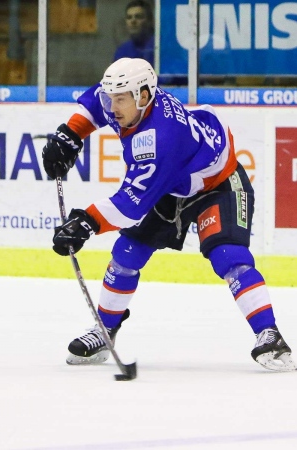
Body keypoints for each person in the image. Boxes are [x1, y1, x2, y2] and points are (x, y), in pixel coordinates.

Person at [41, 57, 296, 372]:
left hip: (218, 183)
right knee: (127, 253)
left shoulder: (159, 137)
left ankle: (269, 335)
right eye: (112, 97)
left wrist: (86, 222)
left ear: (144, 96)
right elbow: (96, 99)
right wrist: (70, 134)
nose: (112, 105)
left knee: (229, 256)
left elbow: (131, 205)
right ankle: (105, 330)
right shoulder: (125, 97)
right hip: (174, 182)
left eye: (120, 99)